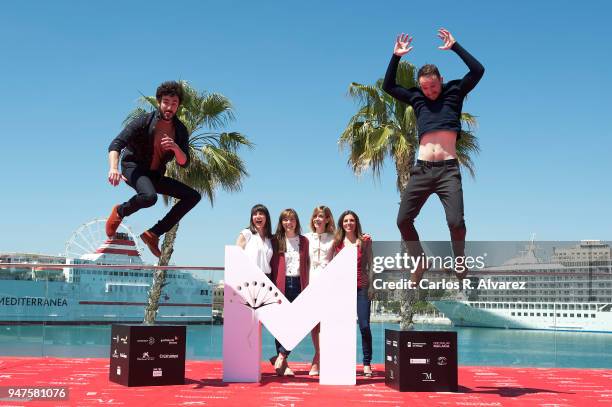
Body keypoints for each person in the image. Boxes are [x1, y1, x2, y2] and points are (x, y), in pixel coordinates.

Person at [382, 28, 484, 289]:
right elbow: (389, 86)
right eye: (425, 87)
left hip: (448, 170)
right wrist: (396, 56)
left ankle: (459, 261)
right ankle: (420, 261)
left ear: (442, 79)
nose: (430, 91)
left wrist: (455, 47)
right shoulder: (416, 97)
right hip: (422, 170)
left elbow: (478, 70)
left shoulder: (455, 91)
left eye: (434, 86)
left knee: (456, 222)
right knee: (403, 220)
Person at [105, 81, 201, 257]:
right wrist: (113, 168)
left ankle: (153, 234)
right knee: (150, 197)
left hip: (154, 174)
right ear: (159, 102)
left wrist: (175, 148)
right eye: (166, 102)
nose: (169, 107)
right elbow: (116, 144)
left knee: (193, 196)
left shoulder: (180, 130)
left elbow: (183, 162)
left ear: (178, 105)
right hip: (133, 167)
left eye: (174, 103)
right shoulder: (144, 121)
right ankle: (120, 211)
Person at [332, 210, 374, 377]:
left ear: (356, 223)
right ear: (341, 223)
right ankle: (341, 362)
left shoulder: (365, 240)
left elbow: (371, 264)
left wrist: (372, 286)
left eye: (352, 220)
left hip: (362, 288)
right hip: (342, 290)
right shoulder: (337, 243)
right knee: (341, 326)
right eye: (345, 221)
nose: (348, 223)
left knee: (364, 325)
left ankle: (366, 363)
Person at [269, 209, 310, 376]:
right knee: (280, 325)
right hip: (281, 285)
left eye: (291, 219)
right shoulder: (275, 240)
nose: (288, 222)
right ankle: (282, 363)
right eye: (285, 219)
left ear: (296, 222)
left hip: (299, 284)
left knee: (299, 323)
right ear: (281, 222)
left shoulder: (304, 241)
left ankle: (281, 355)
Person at [304, 205, 336, 376]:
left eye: (321, 216)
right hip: (309, 282)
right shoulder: (305, 238)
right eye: (315, 215)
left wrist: (365, 239)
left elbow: (350, 244)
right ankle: (318, 354)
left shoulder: (334, 238)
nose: (317, 219)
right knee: (314, 323)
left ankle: (320, 359)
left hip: (328, 284)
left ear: (327, 219)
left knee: (326, 323)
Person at [235, 204, 274, 276]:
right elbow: (236, 256)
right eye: (255, 214)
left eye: (261, 214)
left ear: (266, 217)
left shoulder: (270, 238)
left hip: (268, 278)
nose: (258, 216)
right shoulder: (246, 233)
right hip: (249, 276)